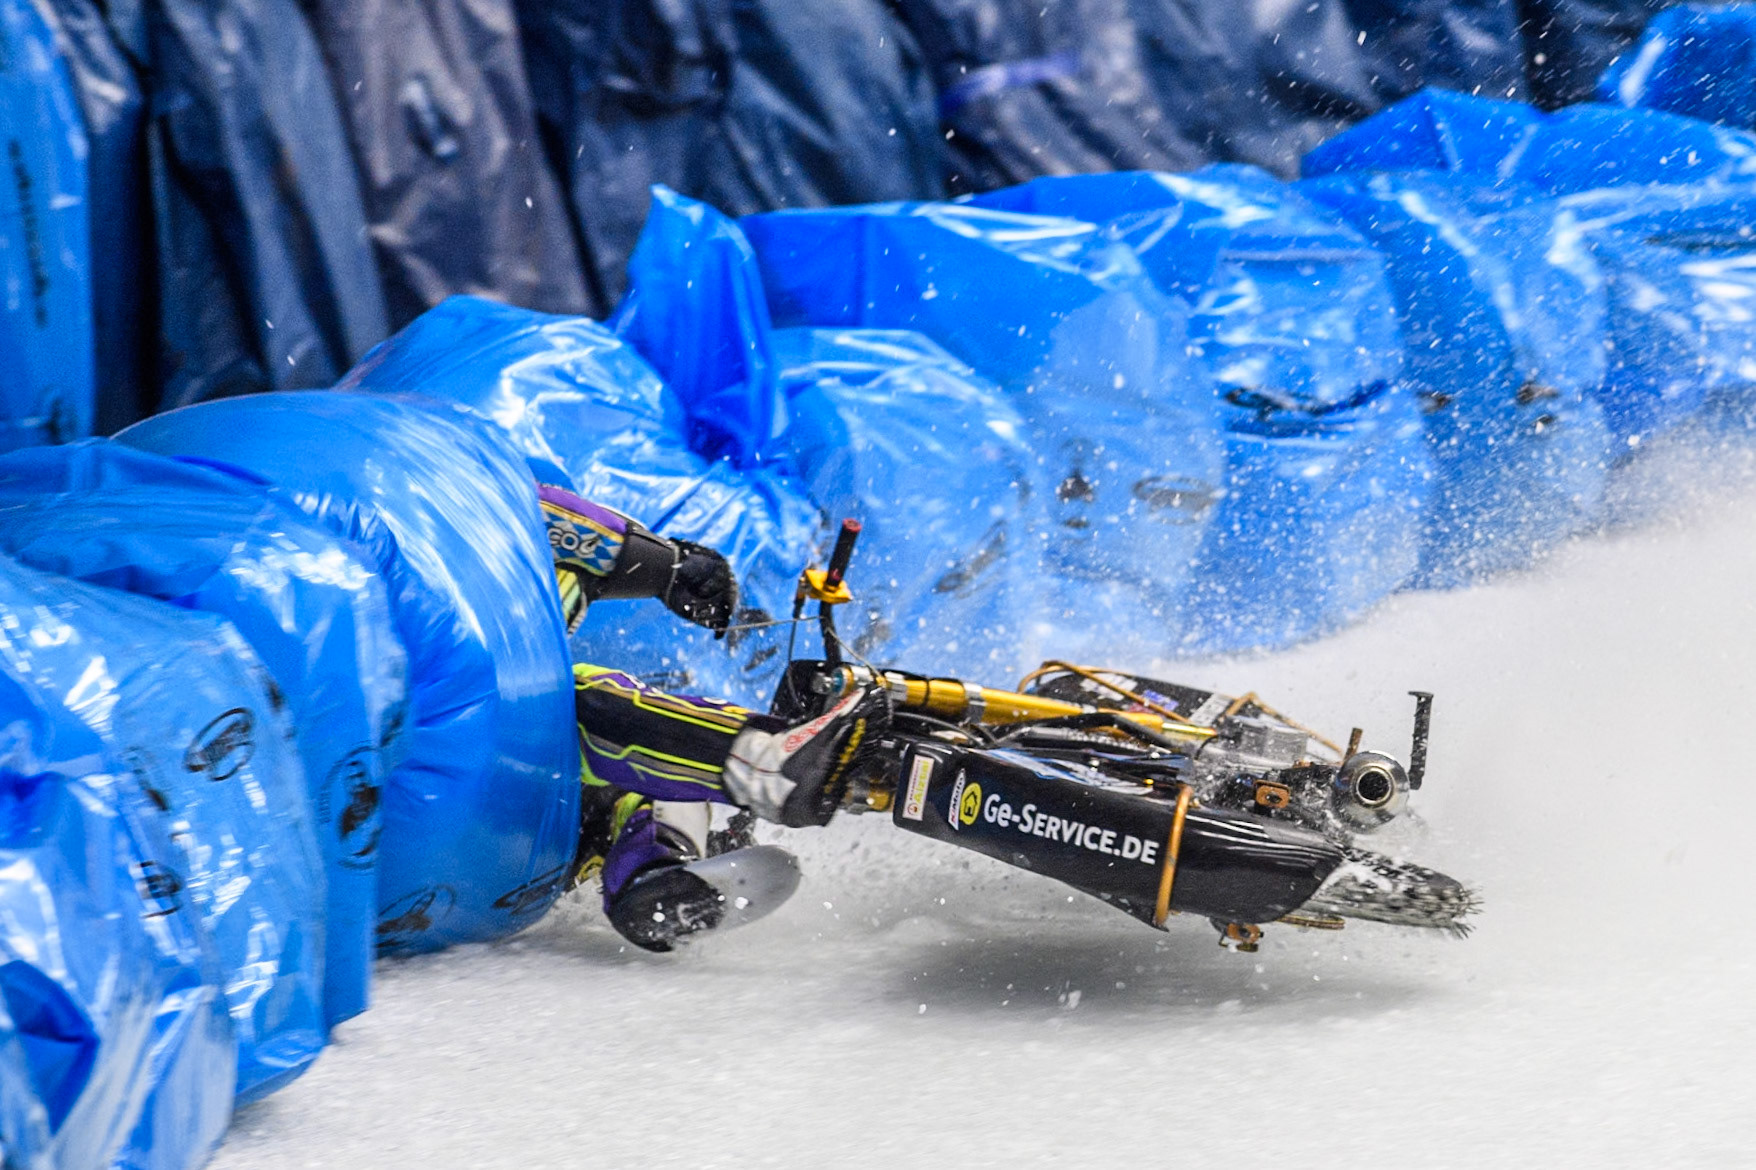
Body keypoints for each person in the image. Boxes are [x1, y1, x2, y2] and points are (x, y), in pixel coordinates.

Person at [538, 484, 889, 951]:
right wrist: (673, 566)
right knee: (566, 707)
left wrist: (675, 568)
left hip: (466, 870)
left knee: (621, 788)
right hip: (446, 782)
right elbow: (533, 510)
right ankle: (763, 765)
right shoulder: (444, 504)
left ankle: (653, 881)